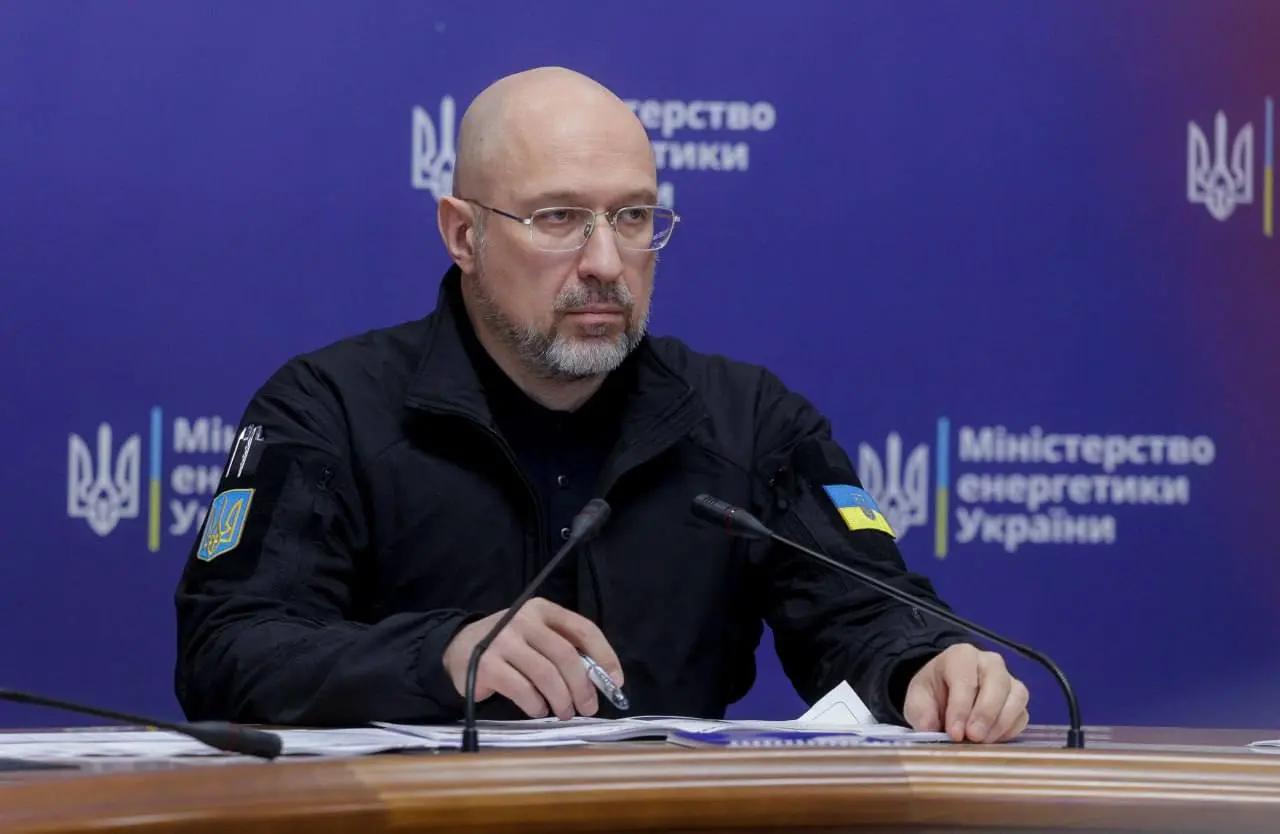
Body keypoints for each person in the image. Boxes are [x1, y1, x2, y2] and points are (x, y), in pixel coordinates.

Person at [173, 66, 1030, 743]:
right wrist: (442, 656)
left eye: (633, 217)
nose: (607, 263)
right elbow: (227, 653)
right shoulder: (328, 409)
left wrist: (925, 668)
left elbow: (867, 615)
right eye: (559, 218)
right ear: (464, 233)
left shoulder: (749, 422)